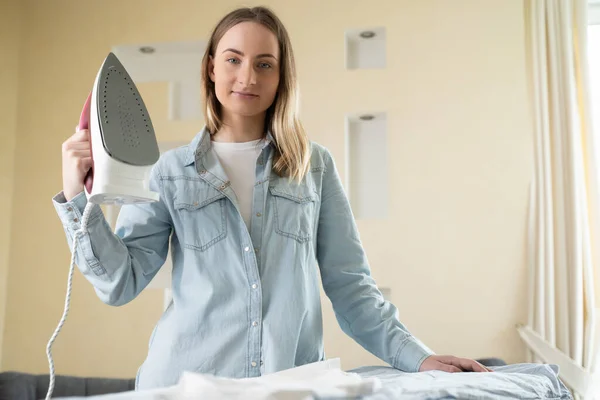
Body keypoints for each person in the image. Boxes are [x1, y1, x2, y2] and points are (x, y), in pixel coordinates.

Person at [54, 5, 490, 391]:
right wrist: (76, 196)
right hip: (187, 384)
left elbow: (352, 288)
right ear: (210, 67)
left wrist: (418, 357)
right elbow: (118, 283)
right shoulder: (168, 172)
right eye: (233, 60)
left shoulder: (313, 167)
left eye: (265, 64)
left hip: (290, 384)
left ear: (282, 77)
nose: (247, 77)